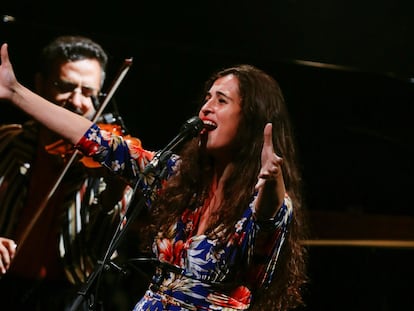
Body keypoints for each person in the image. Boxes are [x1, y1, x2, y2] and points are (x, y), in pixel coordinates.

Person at [0, 42, 308, 311]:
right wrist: (16, 92)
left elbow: (269, 215)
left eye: (221, 100)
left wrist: (272, 178)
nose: (205, 108)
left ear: (251, 118)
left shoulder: (262, 197)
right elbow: (96, 139)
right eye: (207, 98)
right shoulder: (175, 177)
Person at [0, 37, 136, 310]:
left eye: (88, 92)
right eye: (64, 87)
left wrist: (114, 192)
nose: (77, 101)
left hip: (67, 297)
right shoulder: (7, 141)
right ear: (39, 84)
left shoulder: (110, 156)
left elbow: (102, 252)